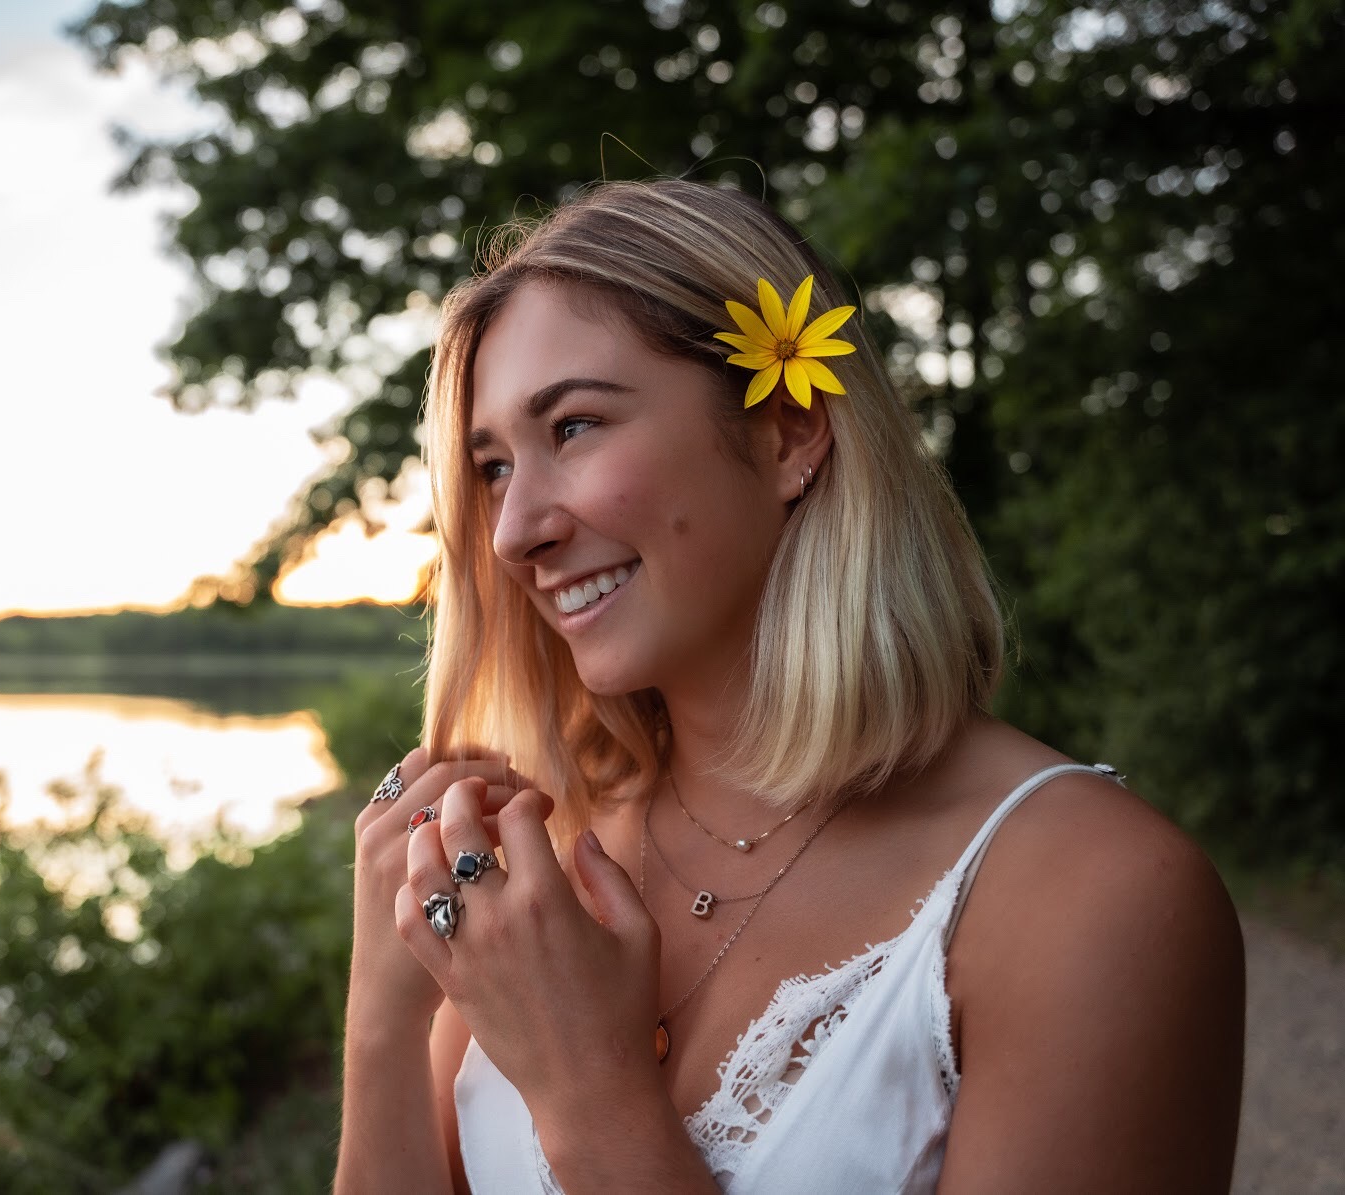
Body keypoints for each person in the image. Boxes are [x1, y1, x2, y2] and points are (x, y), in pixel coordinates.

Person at [335, 179, 1244, 1193]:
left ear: (788, 432)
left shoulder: (1096, 895)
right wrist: (382, 1013)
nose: (515, 530)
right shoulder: (532, 868)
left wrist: (590, 1094)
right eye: (494, 465)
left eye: (576, 427)